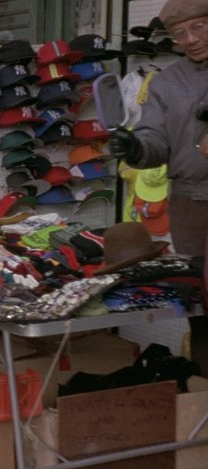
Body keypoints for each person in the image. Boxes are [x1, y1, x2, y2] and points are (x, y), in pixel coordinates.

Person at [108, 0, 208, 376]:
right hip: (191, 205)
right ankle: (203, 391)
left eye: (199, 27)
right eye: (180, 33)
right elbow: (155, 139)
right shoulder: (167, 83)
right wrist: (137, 148)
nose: (190, 39)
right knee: (200, 306)